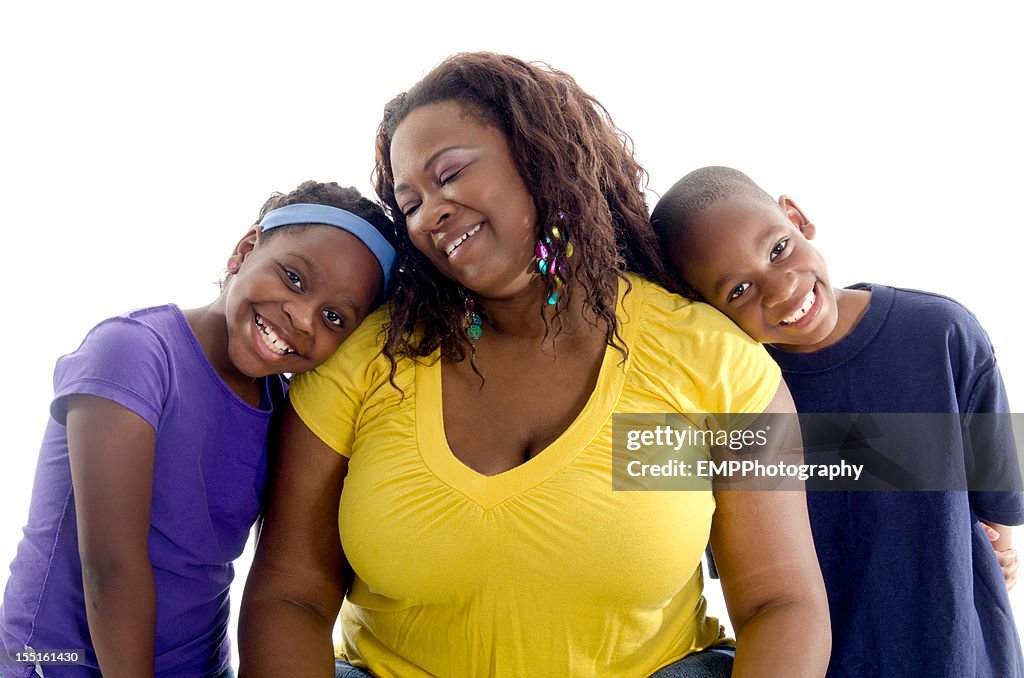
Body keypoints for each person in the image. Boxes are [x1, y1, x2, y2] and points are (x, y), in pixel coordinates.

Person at [239, 54, 829, 678]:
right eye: (409, 203)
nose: (429, 214)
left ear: (539, 155)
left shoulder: (709, 358)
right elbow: (290, 595)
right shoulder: (365, 361)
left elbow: (779, 600)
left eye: (451, 174)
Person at [0, 181, 397, 678]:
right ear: (246, 248)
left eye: (334, 317)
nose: (302, 316)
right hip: (57, 663)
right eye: (294, 278)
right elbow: (110, 567)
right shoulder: (135, 353)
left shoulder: (285, 411)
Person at [650, 165, 1024, 677]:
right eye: (738, 290)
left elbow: (999, 511)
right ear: (706, 311)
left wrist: (992, 550)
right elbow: (753, 583)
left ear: (797, 217)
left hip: (964, 659)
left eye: (778, 249)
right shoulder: (739, 396)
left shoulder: (942, 334)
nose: (780, 290)